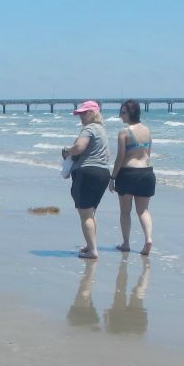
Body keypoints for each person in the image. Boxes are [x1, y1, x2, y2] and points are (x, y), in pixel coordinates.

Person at [61, 101, 113, 259]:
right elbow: (108, 154)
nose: (81, 117)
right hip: (103, 173)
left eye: (84, 113)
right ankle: (91, 245)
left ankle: (92, 251)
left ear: (93, 113)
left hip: (87, 172)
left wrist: (66, 150)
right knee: (91, 213)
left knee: (85, 215)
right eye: (80, 114)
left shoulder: (89, 129)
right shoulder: (102, 131)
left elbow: (79, 148)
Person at [110, 99, 155, 255]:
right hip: (146, 173)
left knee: (125, 211)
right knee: (143, 211)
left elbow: (120, 157)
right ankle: (148, 238)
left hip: (128, 173)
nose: (120, 116)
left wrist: (112, 177)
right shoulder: (148, 131)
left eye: (122, 113)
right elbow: (148, 154)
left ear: (130, 114)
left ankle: (126, 243)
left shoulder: (124, 132)